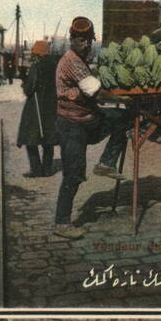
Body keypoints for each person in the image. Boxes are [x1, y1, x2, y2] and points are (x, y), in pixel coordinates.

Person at [54, 15, 132, 239]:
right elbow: (94, 90)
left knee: (122, 118)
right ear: (72, 40)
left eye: (89, 40)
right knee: (74, 174)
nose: (86, 44)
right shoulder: (71, 61)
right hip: (72, 125)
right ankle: (61, 223)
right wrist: (125, 97)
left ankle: (106, 163)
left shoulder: (81, 59)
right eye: (81, 40)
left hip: (89, 119)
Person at [16, 40, 59, 178]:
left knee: (30, 139)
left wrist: (24, 83)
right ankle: (47, 170)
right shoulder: (55, 66)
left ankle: (36, 170)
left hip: (36, 107)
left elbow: (29, 89)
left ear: (38, 53)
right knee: (48, 139)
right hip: (51, 106)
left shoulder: (36, 66)